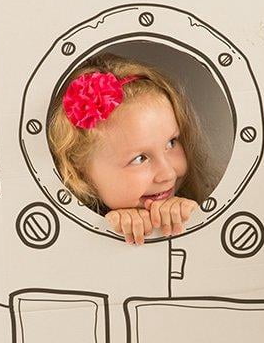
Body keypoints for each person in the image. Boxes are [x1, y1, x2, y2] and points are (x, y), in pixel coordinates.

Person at [47, 53, 218, 243]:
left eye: (171, 143)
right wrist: (111, 224)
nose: (167, 174)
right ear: (80, 173)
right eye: (139, 159)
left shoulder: (189, 202)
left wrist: (193, 217)